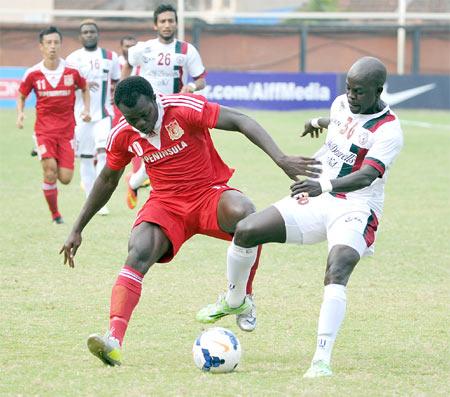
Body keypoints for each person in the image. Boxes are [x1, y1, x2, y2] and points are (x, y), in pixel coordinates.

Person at [60, 76, 321, 367]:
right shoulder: (123, 133)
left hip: (208, 193)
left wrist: (281, 158)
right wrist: (77, 228)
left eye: (145, 115)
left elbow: (240, 120)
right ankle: (114, 340)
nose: (141, 124)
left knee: (246, 215)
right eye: (132, 119)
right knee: (138, 251)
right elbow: (108, 179)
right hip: (166, 204)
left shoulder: (183, 108)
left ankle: (242, 296)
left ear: (154, 99)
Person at [197, 56, 404, 378]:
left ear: (378, 90)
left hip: (355, 207)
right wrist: (315, 121)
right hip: (318, 200)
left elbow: (366, 176)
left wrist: (322, 185)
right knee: (247, 230)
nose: (351, 95)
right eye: (348, 88)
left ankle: (321, 360)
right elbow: (337, 120)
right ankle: (236, 300)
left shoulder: (389, 129)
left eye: (359, 92)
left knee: (337, 269)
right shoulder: (341, 103)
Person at [122, 3, 207, 211]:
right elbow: (127, 63)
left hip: (173, 110)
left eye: (171, 21)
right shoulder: (143, 48)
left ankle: (133, 183)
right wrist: (121, 95)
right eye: (163, 21)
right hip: (146, 110)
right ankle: (149, 191)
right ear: (155, 25)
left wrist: (192, 86)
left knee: (167, 154)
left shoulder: (187, 50)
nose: (167, 25)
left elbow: (201, 79)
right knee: (154, 153)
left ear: (176, 23)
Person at [17, 26, 90, 224]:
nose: (52, 46)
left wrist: (86, 110)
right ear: (41, 47)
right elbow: (22, 94)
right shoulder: (33, 73)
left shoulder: (72, 71)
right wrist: (21, 114)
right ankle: (56, 215)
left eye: (56, 42)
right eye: (48, 43)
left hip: (67, 132)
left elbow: (85, 88)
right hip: (44, 131)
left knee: (65, 178)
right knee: (50, 172)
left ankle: (44, 153)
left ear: (60, 44)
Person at [66, 19, 121, 215]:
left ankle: (100, 202)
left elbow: (116, 81)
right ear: (80, 36)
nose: (89, 35)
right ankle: (90, 199)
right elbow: (68, 86)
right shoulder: (72, 59)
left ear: (98, 35)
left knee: (103, 154)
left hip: (104, 114)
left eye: (92, 32)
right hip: (81, 117)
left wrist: (114, 99)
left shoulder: (110, 57)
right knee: (86, 159)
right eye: (85, 32)